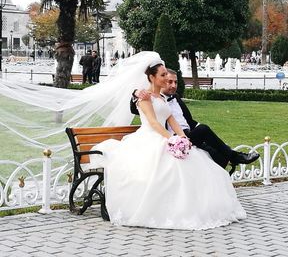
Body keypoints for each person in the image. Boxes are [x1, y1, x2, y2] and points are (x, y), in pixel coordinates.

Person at [90, 56, 246, 230]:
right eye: (163, 75)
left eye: (167, 75)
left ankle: (191, 207)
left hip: (166, 137)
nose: (166, 78)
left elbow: (172, 120)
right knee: (167, 169)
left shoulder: (162, 98)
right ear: (152, 77)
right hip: (150, 138)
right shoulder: (144, 97)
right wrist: (171, 139)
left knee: (194, 164)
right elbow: (154, 122)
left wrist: (182, 137)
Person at [131, 69, 259, 174]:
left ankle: (217, 180)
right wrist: (135, 94)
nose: (173, 85)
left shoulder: (176, 98)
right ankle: (236, 157)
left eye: (176, 82)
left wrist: (193, 133)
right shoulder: (150, 98)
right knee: (204, 129)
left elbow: (189, 121)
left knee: (219, 155)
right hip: (171, 138)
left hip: (188, 135)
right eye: (169, 81)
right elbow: (135, 109)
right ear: (156, 78)